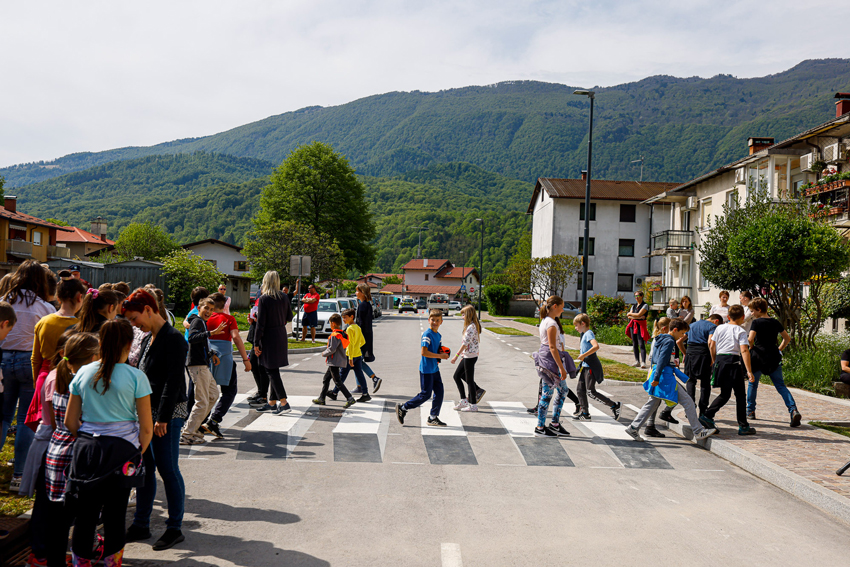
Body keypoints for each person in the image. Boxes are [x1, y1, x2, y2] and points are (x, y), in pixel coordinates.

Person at [64, 319, 152, 566]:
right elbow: (146, 427)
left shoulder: (83, 372)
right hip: (123, 451)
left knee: (85, 515)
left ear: (100, 342)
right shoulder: (137, 377)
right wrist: (137, 451)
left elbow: (70, 421)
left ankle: (81, 563)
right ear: (129, 344)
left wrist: (87, 439)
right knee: (115, 515)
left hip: (87, 450)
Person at [123, 289, 189, 551]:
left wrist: (162, 418)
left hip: (167, 415)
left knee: (168, 469)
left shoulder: (173, 339)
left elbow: (173, 382)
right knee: (145, 469)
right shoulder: (149, 337)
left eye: (135, 318)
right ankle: (141, 524)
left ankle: (174, 528)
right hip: (147, 414)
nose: (134, 324)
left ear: (149, 310)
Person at [29, 332, 98, 567]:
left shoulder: (58, 377)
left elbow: (57, 422)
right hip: (76, 454)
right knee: (82, 519)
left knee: (57, 520)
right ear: (91, 358)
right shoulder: (83, 383)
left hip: (56, 451)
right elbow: (75, 423)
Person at [1, 260, 56, 492]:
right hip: (29, 361)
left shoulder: (4, 301)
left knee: (3, 416)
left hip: (3, 358)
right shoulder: (45, 307)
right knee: (25, 418)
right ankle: (19, 475)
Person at [625, 318, 718, 442]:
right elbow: (661, 360)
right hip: (665, 378)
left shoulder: (660, 338)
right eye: (681, 333)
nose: (682, 336)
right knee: (688, 402)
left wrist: (656, 376)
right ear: (675, 330)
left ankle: (633, 427)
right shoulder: (669, 341)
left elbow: (656, 359)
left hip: (661, 376)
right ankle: (698, 431)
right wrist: (657, 377)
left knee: (653, 403)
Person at [26, 278, 86, 436]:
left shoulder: (44, 322)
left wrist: (37, 382)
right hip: (72, 378)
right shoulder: (82, 326)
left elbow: (35, 358)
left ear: (58, 298)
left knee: (43, 427)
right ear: (80, 297)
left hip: (45, 377)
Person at [700, 304, 757, 436]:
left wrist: (714, 360)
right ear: (743, 317)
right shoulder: (740, 331)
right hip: (733, 362)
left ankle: (707, 415)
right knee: (740, 395)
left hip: (720, 361)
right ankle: (743, 425)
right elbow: (744, 350)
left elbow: (712, 344)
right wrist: (749, 371)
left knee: (725, 394)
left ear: (728, 316)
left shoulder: (719, 328)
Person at [746, 297, 801, 426]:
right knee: (781, 386)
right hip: (773, 357)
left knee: (753, 384)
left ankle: (750, 411)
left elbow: (750, 339)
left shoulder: (756, 323)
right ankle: (793, 410)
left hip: (758, 357)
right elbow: (787, 338)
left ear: (759, 309)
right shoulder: (775, 322)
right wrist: (779, 350)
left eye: (753, 311)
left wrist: (752, 347)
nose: (752, 314)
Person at [202, 292, 251, 437]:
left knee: (206, 391)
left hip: (207, 356)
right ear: (224, 305)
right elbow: (236, 337)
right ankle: (214, 420)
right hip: (224, 357)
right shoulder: (229, 318)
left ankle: (201, 420)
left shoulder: (205, 318)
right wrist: (245, 359)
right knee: (229, 391)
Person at [529, 296, 576, 437]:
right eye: (561, 307)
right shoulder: (550, 323)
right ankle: (540, 427)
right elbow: (552, 347)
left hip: (549, 359)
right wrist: (561, 367)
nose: (563, 310)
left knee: (563, 390)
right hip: (550, 361)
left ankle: (554, 424)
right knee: (547, 393)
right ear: (555, 306)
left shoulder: (547, 321)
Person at [181, 298, 225, 445]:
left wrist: (211, 354)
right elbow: (192, 338)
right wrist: (211, 332)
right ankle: (187, 434)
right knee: (202, 401)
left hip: (203, 364)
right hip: (197, 365)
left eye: (211, 309)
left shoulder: (201, 322)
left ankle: (194, 428)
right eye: (206, 308)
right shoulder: (197, 321)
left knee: (213, 395)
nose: (209, 312)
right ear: (199, 307)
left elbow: (201, 344)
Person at [395, 309, 449, 427]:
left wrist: (442, 353)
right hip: (426, 369)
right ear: (428, 320)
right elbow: (424, 352)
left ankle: (433, 417)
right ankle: (403, 408)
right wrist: (440, 356)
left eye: (437, 320)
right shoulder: (427, 334)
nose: (435, 322)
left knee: (439, 392)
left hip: (434, 368)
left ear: (441, 322)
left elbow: (437, 350)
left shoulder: (438, 335)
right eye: (433, 320)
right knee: (425, 394)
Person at [253, 271, 294, 415]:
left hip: (268, 336)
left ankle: (284, 402)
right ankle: (271, 402)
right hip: (281, 334)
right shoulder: (284, 296)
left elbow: (261, 324)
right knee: (273, 368)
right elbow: (289, 317)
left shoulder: (264, 298)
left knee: (271, 370)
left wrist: (256, 342)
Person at [573, 313, 621, 421]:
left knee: (591, 392)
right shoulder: (585, 334)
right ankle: (585, 413)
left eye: (576, 325)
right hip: (585, 366)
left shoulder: (588, 334)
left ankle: (614, 405)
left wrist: (583, 355)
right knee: (580, 390)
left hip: (590, 367)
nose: (575, 328)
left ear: (583, 323)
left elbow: (596, 346)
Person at [678, 314, 723, 417]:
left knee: (690, 381)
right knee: (705, 383)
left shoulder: (692, 325)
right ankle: (703, 410)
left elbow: (679, 341)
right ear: (716, 321)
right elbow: (710, 342)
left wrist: (685, 353)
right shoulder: (712, 326)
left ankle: (690, 408)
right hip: (704, 354)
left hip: (690, 353)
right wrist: (713, 359)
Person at [312, 314, 356, 408]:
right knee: (326, 379)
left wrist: (324, 353)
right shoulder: (342, 334)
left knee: (337, 381)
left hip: (334, 361)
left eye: (330, 323)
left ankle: (350, 398)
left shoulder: (334, 335)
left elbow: (332, 349)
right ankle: (321, 398)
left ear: (333, 323)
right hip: (338, 360)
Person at [331, 308, 371, 402]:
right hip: (358, 354)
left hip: (350, 356)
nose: (343, 320)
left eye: (345, 317)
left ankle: (334, 392)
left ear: (352, 317)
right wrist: (356, 347)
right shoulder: (357, 327)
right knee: (359, 374)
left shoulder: (349, 329)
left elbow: (350, 344)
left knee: (342, 374)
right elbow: (362, 341)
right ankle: (365, 393)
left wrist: (350, 357)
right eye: (343, 318)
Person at [451, 305, 483, 411]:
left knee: (469, 380)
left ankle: (473, 405)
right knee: (457, 376)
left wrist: (456, 356)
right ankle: (464, 400)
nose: (462, 317)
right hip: (468, 355)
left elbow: (465, 343)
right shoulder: (471, 326)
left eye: (463, 315)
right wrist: (462, 355)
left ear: (468, 315)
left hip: (470, 356)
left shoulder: (471, 327)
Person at [355, 283, 382, 393]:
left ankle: (374, 378)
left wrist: (356, 337)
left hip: (362, 338)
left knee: (357, 361)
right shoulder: (367, 304)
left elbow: (361, 324)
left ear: (362, 293)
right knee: (357, 361)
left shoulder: (362, 306)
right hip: (366, 336)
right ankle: (359, 386)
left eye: (357, 291)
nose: (356, 293)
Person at [246, 298, 269, 409]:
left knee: (261, 367)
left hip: (262, 338)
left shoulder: (269, 299)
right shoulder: (259, 298)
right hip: (255, 335)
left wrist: (258, 320)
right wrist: (252, 320)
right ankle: (260, 392)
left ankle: (263, 396)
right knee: (254, 365)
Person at [626, 291, 649, 368]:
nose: (636, 297)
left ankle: (643, 362)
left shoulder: (645, 305)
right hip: (633, 325)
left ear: (642, 296)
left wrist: (632, 315)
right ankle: (637, 361)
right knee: (634, 343)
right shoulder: (634, 306)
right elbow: (629, 316)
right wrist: (638, 317)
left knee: (641, 343)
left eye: (638, 296)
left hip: (641, 326)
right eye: (635, 296)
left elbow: (639, 314)